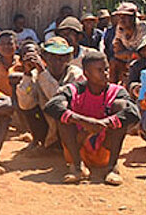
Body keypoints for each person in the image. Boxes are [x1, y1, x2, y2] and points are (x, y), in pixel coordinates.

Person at [44, 52, 139, 185]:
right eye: (100, 70)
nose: (105, 73)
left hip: (104, 148)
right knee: (63, 114)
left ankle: (112, 168)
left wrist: (104, 123)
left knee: (121, 106)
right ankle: (77, 166)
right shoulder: (73, 89)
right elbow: (51, 106)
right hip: (78, 146)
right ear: (86, 73)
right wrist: (85, 122)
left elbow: (134, 112)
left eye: (106, 69)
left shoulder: (116, 91)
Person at [14, 37, 84, 149]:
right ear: (45, 57)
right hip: (47, 125)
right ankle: (39, 140)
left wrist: (43, 73)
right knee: (28, 107)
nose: (57, 62)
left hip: (70, 127)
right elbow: (25, 104)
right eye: (52, 57)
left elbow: (60, 101)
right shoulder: (36, 74)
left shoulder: (75, 75)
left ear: (67, 58)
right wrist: (27, 74)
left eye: (61, 57)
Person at [109, 2, 146, 84]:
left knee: (134, 65)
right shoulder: (120, 28)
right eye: (120, 16)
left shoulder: (143, 28)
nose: (121, 19)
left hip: (145, 62)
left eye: (125, 16)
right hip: (128, 60)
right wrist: (131, 54)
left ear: (133, 18)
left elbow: (144, 53)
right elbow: (117, 52)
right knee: (113, 62)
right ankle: (112, 91)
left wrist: (128, 54)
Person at [0, 30, 19, 157]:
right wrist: (2, 97)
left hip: (21, 107)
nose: (6, 47)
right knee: (4, 114)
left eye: (10, 44)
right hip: (2, 103)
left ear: (16, 46)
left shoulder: (23, 63)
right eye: (2, 44)